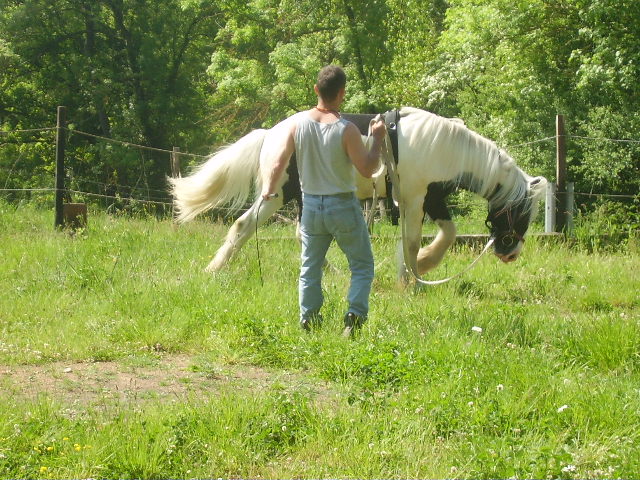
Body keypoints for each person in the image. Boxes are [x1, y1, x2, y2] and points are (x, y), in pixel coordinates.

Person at [260, 65, 386, 337]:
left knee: (310, 266)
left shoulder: (297, 125)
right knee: (362, 265)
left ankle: (309, 318)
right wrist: (376, 139)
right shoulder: (347, 130)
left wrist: (268, 189)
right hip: (342, 205)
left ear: (316, 89)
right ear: (342, 94)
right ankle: (354, 315)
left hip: (311, 207)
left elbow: (279, 161)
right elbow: (367, 168)